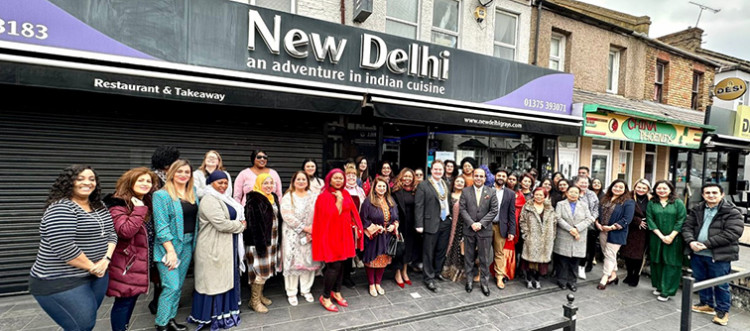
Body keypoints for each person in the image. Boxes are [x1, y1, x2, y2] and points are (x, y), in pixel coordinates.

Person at [29, 165, 117, 331]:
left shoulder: (99, 206)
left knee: (81, 322)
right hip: (59, 279)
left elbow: (111, 234)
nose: (87, 182)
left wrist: (106, 260)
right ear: (69, 182)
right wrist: (93, 267)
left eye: (92, 179)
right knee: (82, 325)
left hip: (96, 275)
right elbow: (64, 246)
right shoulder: (61, 208)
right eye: (80, 178)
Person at [188, 171, 245, 329]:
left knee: (222, 280)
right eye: (219, 182)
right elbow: (221, 223)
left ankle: (224, 312)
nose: (223, 186)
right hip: (212, 248)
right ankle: (212, 315)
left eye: (226, 183)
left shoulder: (224, 198)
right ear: (210, 183)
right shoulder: (209, 199)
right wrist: (241, 225)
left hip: (224, 246)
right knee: (214, 283)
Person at [104, 167, 158, 331]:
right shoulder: (118, 204)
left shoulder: (145, 202)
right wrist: (139, 210)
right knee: (123, 302)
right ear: (130, 182)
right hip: (126, 262)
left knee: (131, 299)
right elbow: (125, 231)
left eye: (148, 181)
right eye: (140, 180)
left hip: (140, 261)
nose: (145, 183)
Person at [684, 184, 745, 326]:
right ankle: (707, 304)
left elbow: (733, 233)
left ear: (722, 194)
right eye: (707, 193)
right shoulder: (697, 209)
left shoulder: (732, 211)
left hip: (718, 255)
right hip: (697, 253)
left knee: (721, 284)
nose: (711, 195)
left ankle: (723, 311)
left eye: (714, 192)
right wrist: (691, 241)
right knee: (701, 280)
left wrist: (706, 244)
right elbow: (687, 226)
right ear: (703, 195)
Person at [153, 159, 198, 331]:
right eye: (179, 171)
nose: (183, 175)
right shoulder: (161, 195)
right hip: (168, 246)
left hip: (187, 245)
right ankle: (161, 324)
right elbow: (161, 225)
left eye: (187, 172)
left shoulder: (191, 192)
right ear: (172, 173)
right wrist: (170, 251)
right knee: (170, 286)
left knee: (178, 285)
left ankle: (170, 320)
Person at [313, 169, 364, 312]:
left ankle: (337, 292)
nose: (338, 180)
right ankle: (325, 296)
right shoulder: (324, 196)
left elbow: (352, 211)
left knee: (342, 265)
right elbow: (332, 216)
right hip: (331, 236)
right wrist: (339, 200)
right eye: (335, 178)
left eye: (341, 178)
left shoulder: (346, 192)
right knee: (333, 267)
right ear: (329, 179)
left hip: (344, 234)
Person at [280, 171, 322, 306]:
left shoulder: (314, 196)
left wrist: (313, 229)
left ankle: (306, 290)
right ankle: (291, 292)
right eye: (298, 179)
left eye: (304, 179)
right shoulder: (288, 196)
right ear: (293, 181)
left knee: (308, 262)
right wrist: (303, 228)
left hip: (310, 234)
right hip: (292, 234)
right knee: (292, 262)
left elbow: (320, 213)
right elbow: (286, 215)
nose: (301, 182)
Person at [244, 173, 283, 313]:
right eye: (265, 183)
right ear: (259, 184)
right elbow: (253, 225)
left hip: (271, 240)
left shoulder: (273, 197)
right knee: (258, 272)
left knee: (265, 271)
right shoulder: (254, 199)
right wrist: (260, 246)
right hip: (258, 242)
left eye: (270, 183)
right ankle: (254, 301)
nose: (268, 186)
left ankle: (259, 296)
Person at [148, 146, 179, 314]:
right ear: (167, 163)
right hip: (158, 230)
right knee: (161, 269)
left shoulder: (165, 178)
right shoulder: (155, 180)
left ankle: (161, 301)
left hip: (164, 229)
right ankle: (159, 304)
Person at [459, 168, 498, 296]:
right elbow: (462, 209)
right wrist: (472, 223)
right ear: (473, 176)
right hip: (469, 229)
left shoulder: (491, 192)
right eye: (476, 176)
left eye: (481, 176)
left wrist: (481, 224)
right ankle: (469, 281)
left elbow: (494, 210)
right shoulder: (465, 191)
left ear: (485, 178)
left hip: (484, 230)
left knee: (484, 259)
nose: (479, 178)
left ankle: (484, 283)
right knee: (469, 257)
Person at [646, 180, 686, 301]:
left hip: (674, 238)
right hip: (656, 237)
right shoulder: (652, 203)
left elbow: (681, 220)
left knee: (671, 263)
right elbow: (650, 219)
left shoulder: (678, 203)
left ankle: (667, 291)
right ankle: (659, 286)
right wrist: (661, 236)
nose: (661, 191)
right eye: (659, 188)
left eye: (664, 188)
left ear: (670, 190)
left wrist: (671, 236)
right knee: (656, 261)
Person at [415, 160, 451, 292]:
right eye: (435, 169)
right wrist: (419, 224)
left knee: (441, 250)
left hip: (445, 221)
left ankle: (437, 272)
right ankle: (428, 278)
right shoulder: (424, 185)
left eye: (440, 169)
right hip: (430, 223)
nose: (438, 172)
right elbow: (419, 206)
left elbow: (448, 202)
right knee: (428, 252)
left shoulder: (446, 183)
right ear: (431, 170)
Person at [360, 177, 400, 296]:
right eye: (379, 186)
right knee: (372, 261)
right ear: (374, 188)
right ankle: (371, 284)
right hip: (374, 236)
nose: (382, 188)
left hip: (386, 236)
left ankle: (378, 283)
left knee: (382, 260)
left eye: (384, 186)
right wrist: (375, 228)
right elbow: (363, 219)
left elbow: (396, 217)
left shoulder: (390, 200)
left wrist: (394, 226)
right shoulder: (368, 201)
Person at [553, 185, 594, 292]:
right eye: (571, 192)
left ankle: (572, 282)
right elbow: (558, 218)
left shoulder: (584, 205)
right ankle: (561, 281)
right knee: (563, 261)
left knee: (575, 262)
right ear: (566, 193)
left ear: (579, 194)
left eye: (576, 192)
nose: (573, 194)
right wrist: (570, 229)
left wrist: (577, 228)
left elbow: (589, 219)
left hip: (578, 236)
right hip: (564, 235)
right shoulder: (560, 204)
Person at [596, 179, 634, 291]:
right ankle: (613, 275)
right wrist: (597, 223)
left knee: (609, 253)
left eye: (620, 187)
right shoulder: (605, 198)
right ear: (611, 187)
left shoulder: (628, 202)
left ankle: (605, 277)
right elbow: (598, 213)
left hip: (617, 232)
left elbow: (627, 219)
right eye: (615, 186)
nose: (617, 189)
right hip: (603, 230)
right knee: (608, 254)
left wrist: (612, 227)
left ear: (625, 189)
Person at [518, 187, 556, 289]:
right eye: (537, 194)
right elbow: (522, 221)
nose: (538, 197)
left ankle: (537, 279)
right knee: (530, 262)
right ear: (533, 195)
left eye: (541, 195)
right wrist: (525, 234)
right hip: (532, 238)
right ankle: (529, 279)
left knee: (541, 263)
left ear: (545, 197)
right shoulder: (527, 207)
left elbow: (554, 223)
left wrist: (552, 236)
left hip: (545, 240)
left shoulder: (550, 209)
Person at [621, 179, 652, 287]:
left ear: (648, 189)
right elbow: (624, 212)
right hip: (631, 229)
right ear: (635, 187)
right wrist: (637, 221)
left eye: (644, 188)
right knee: (627, 254)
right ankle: (629, 274)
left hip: (644, 232)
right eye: (639, 187)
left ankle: (636, 276)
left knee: (639, 256)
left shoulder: (651, 199)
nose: (641, 190)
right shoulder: (628, 197)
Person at [392, 168, 418, 287]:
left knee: (409, 248)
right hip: (400, 224)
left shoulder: (416, 191)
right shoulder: (396, 191)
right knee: (400, 249)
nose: (407, 179)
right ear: (401, 177)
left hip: (412, 225)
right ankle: (397, 272)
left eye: (410, 177)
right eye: (405, 176)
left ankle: (405, 271)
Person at [342, 163, 366, 289]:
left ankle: (347, 276)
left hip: (356, 225)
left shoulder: (360, 190)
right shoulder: (341, 190)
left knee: (352, 251)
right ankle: (343, 276)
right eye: (348, 175)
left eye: (353, 175)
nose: (351, 177)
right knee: (344, 252)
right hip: (344, 225)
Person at [492, 169, 516, 289]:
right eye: (499, 175)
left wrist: (512, 231)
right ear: (495, 176)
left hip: (501, 227)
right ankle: (481, 273)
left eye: (503, 176)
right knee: (483, 251)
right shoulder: (487, 189)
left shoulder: (510, 194)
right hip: (486, 226)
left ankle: (499, 277)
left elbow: (512, 213)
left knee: (499, 253)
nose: (501, 177)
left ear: (506, 179)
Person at [576, 176, 600, 279]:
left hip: (590, 225)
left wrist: (592, 219)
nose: (584, 185)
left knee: (588, 247)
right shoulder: (573, 192)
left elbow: (596, 209)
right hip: (576, 225)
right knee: (578, 247)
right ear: (577, 183)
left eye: (586, 183)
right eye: (582, 182)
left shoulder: (592, 194)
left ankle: (585, 265)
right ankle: (577, 266)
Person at [443, 176, 467, 281]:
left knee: (458, 249)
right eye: (457, 181)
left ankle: (457, 273)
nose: (459, 183)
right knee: (449, 246)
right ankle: (446, 272)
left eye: (462, 182)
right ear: (454, 183)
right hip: (449, 225)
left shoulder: (467, 197)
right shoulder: (448, 196)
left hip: (462, 226)